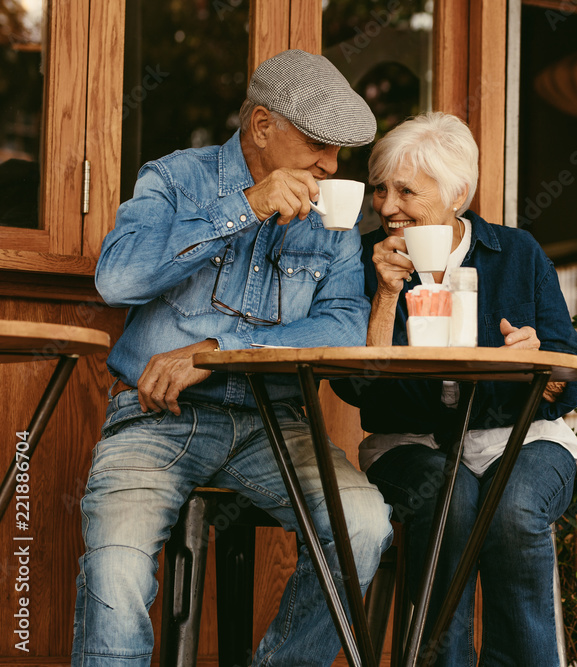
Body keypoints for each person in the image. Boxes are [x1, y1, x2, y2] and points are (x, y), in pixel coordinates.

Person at [73, 50, 393, 666]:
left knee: (365, 526)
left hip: (276, 425)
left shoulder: (333, 216)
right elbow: (117, 280)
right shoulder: (174, 178)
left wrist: (222, 353)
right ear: (263, 126)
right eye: (319, 144)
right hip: (155, 420)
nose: (331, 165)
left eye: (339, 152)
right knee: (116, 572)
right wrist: (245, 206)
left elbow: (346, 321)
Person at [334, 111, 577, 666]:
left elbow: (572, 370)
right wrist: (384, 296)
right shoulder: (363, 261)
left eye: (405, 190)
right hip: (414, 445)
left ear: (457, 194)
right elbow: (356, 388)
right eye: (380, 189)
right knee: (448, 505)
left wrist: (539, 363)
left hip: (520, 440)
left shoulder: (516, 254)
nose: (385, 206)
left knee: (515, 509)